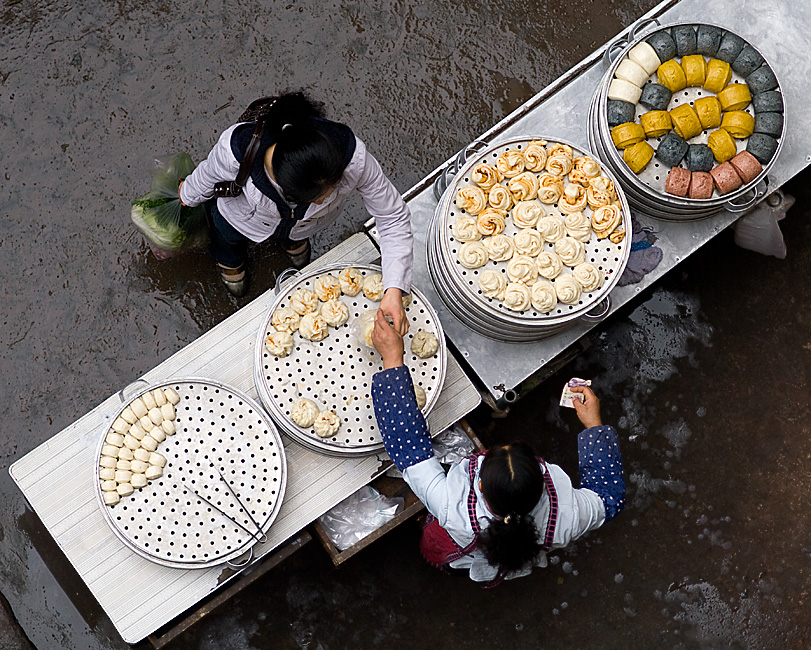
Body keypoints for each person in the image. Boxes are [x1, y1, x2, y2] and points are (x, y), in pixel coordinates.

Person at [369, 311, 625, 582]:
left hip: (460, 544)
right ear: (541, 484)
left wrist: (392, 358)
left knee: (435, 545)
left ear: (479, 484)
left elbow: (408, 446)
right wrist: (594, 426)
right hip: (514, 552)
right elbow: (609, 498)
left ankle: (441, 568)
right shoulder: (569, 513)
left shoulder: (450, 508)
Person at [179, 92, 412, 328]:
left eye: (331, 193)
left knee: (297, 231)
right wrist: (185, 197)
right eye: (316, 199)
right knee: (227, 238)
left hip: (302, 225)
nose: (322, 203)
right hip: (241, 219)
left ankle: (293, 241)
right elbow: (206, 177)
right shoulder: (236, 152)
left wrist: (394, 287)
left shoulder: (353, 158)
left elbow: (392, 216)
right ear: (286, 188)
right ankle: (231, 263)